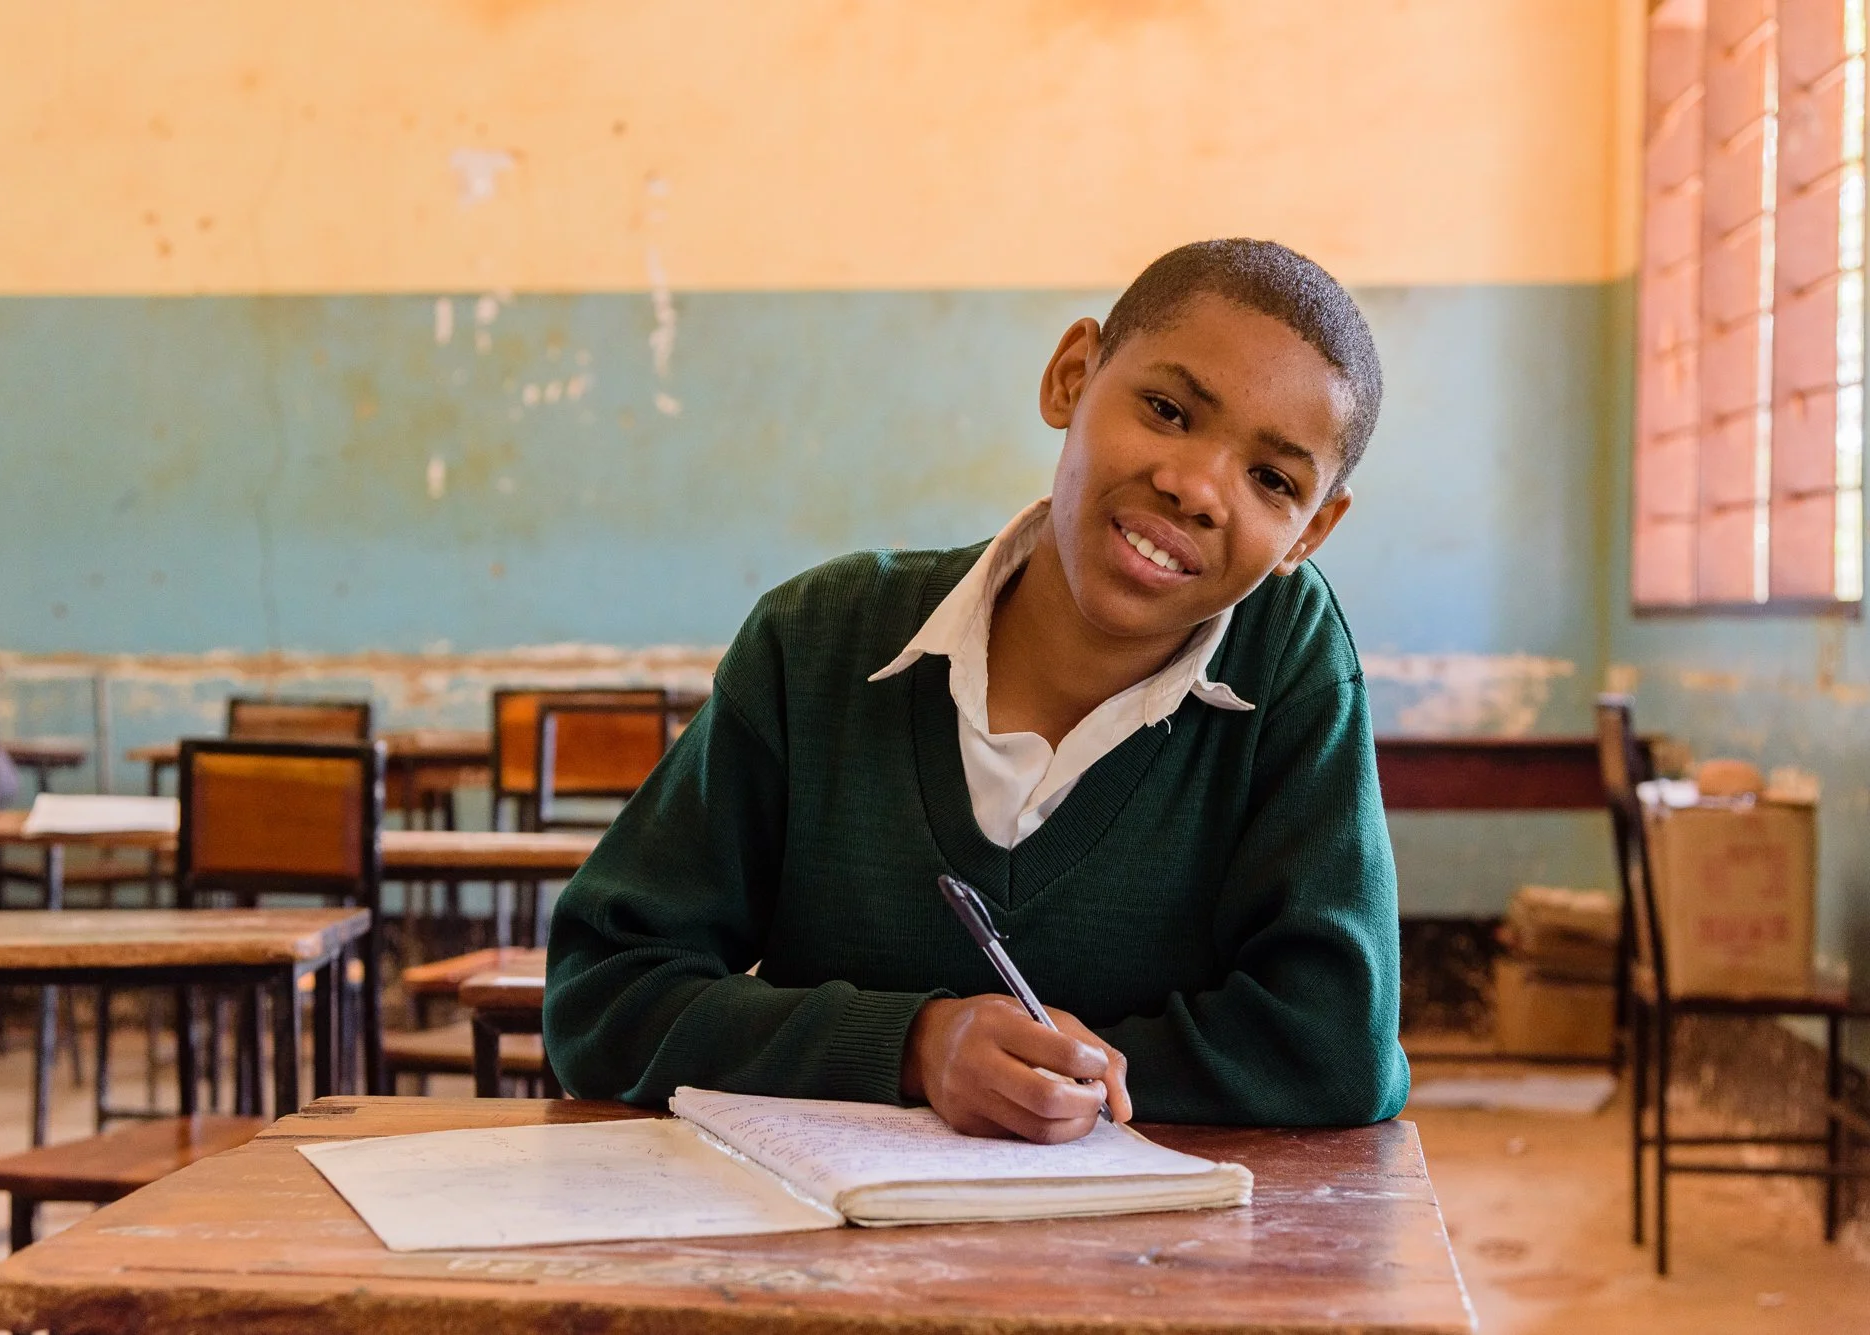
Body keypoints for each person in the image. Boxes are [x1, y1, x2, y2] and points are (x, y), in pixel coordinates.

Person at [544, 238, 1409, 1143]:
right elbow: (604, 996)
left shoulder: (1286, 665)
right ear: (1071, 376)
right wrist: (915, 1048)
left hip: (1156, 1274)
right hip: (830, 1265)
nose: (1196, 488)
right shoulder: (821, 641)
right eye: (1166, 409)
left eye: (1272, 480)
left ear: (1313, 529)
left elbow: (1335, 1049)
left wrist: (1052, 1082)